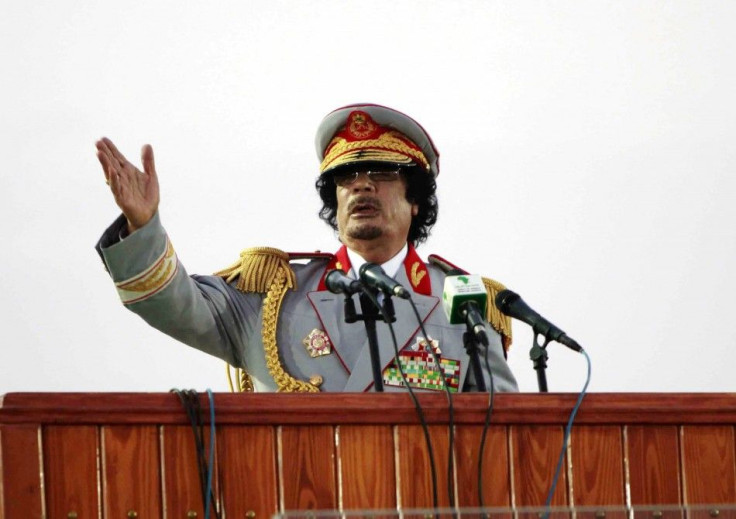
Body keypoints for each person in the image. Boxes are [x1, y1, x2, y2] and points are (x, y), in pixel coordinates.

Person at [95, 103, 518, 393]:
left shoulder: (463, 302)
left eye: (381, 172)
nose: (360, 184)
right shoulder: (273, 294)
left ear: (416, 199)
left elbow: (505, 438)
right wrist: (143, 224)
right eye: (346, 176)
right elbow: (170, 302)